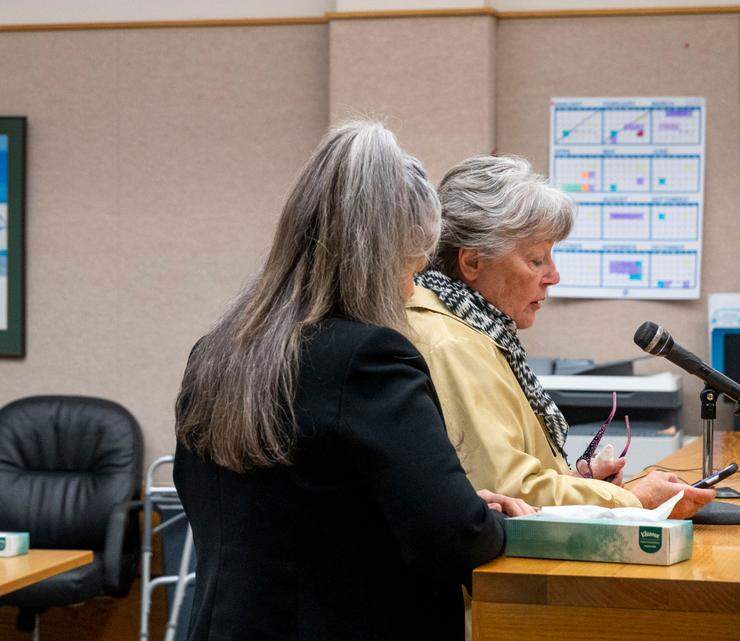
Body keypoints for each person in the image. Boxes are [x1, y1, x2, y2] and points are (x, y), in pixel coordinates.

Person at [173, 120, 532, 641]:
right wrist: (484, 523)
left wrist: (461, 506)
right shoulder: (369, 358)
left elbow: (297, 505)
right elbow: (450, 540)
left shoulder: (216, 353)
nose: (411, 292)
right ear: (377, 261)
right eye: (411, 271)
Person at [407, 155, 715, 517]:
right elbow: (507, 493)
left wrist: (577, 481)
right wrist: (634, 499)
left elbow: (514, 482)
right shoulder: (452, 342)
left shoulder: (476, 325)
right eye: (537, 260)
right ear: (473, 262)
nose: (553, 276)